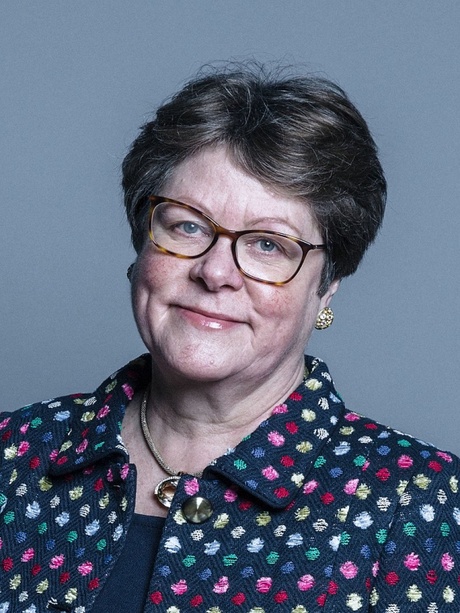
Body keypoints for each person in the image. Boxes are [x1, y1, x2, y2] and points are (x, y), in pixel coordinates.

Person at [1, 63, 459, 613]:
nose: (216, 272)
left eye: (269, 244)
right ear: (141, 244)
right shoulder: (13, 457)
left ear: (328, 284)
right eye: (187, 226)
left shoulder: (422, 507)